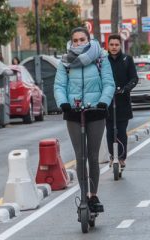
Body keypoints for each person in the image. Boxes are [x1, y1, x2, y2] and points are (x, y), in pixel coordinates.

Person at [54, 27, 115, 212]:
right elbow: (59, 85)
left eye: (82, 39)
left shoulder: (100, 58)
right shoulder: (65, 62)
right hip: (73, 112)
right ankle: (83, 196)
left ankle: (93, 195)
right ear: (71, 42)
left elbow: (109, 83)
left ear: (89, 40)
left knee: (92, 156)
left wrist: (104, 102)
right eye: (75, 40)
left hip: (96, 111)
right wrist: (63, 103)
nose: (79, 43)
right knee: (80, 157)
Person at [106, 34, 138, 169]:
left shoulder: (127, 59)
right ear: (108, 45)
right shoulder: (103, 61)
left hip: (123, 102)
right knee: (109, 132)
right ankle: (112, 156)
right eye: (111, 45)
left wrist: (125, 89)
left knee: (121, 131)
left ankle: (122, 157)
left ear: (120, 45)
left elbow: (134, 78)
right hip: (107, 102)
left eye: (116, 45)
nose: (114, 47)